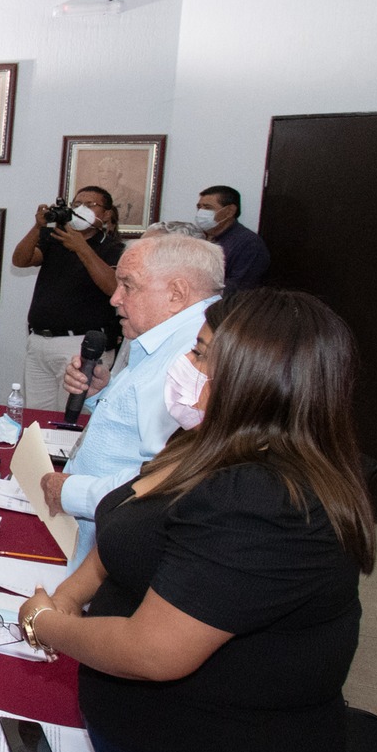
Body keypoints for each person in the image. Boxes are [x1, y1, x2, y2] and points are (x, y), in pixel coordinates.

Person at [17, 289, 370, 752]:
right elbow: (127, 525)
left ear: (257, 378)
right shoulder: (208, 443)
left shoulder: (269, 499)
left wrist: (47, 624)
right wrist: (70, 594)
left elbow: (155, 650)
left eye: (202, 354)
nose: (185, 364)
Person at [41, 230, 225, 564]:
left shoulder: (190, 356)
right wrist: (101, 392)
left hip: (121, 541)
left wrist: (70, 492)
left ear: (176, 294)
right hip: (105, 531)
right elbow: (139, 420)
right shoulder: (172, 337)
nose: (115, 298)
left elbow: (165, 476)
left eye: (128, 285)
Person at [13, 187, 124, 414]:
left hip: (79, 344)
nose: (81, 209)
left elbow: (113, 287)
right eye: (77, 204)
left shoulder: (113, 247)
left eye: (90, 205)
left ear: (106, 214)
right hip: (39, 341)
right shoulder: (56, 238)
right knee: (36, 415)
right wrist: (38, 226)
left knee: (71, 415)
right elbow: (20, 260)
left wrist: (82, 248)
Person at [194, 185, 271, 294]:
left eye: (208, 207)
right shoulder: (197, 237)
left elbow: (239, 287)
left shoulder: (249, 244)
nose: (201, 212)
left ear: (229, 211)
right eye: (199, 207)